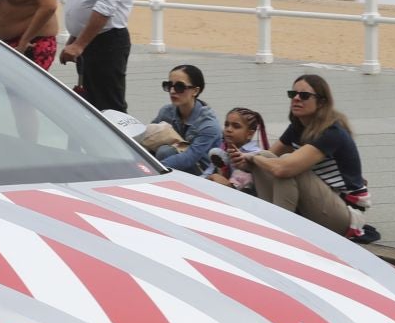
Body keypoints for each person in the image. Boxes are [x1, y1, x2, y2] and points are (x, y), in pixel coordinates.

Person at [247, 74, 378, 243]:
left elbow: (282, 168)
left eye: (304, 95)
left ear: (322, 102)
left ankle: (280, 229)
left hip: (344, 214)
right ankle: (272, 218)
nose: (296, 99)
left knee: (286, 163)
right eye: (292, 94)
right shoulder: (297, 126)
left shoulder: (331, 133)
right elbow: (270, 158)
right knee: (265, 156)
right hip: (319, 203)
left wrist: (252, 158)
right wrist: (245, 162)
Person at [148, 64, 222, 174]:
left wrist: (153, 169)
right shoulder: (166, 112)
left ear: (195, 91)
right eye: (168, 85)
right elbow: (148, 137)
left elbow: (190, 158)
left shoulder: (209, 124)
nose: (172, 91)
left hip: (202, 175)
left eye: (179, 87)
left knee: (165, 152)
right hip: (171, 166)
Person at [207, 107, 269, 191]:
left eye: (236, 126)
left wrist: (218, 179)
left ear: (250, 134)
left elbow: (236, 189)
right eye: (226, 125)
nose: (228, 129)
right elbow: (208, 173)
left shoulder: (255, 154)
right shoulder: (222, 150)